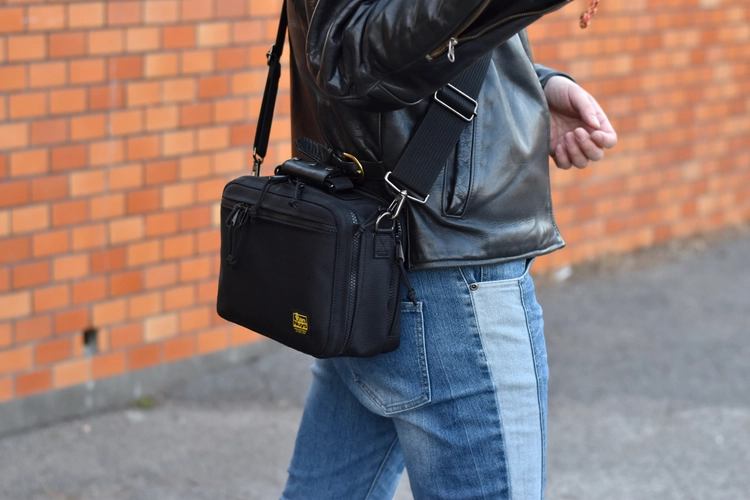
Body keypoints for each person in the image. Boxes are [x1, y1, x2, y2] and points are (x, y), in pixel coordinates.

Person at [280, 0, 617, 498]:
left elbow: (400, 38)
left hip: (376, 261)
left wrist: (527, 87)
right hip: (449, 281)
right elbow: (350, 54)